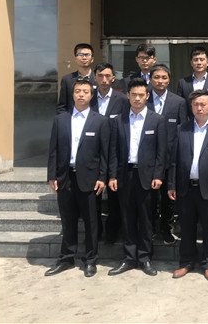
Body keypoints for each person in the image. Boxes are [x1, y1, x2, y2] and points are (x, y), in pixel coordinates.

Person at [45, 78, 109, 277]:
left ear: (91, 95)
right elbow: (53, 149)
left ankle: (90, 260)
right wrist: (52, 175)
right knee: (68, 220)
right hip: (65, 177)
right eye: (78, 91)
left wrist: (102, 176)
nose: (81, 94)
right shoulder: (61, 119)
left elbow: (104, 153)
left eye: (85, 91)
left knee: (91, 222)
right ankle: (66, 258)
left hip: (89, 179)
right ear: (72, 94)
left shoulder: (100, 121)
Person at [108, 78, 167, 277]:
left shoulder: (157, 120)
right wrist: (112, 175)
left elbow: (162, 152)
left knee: (146, 218)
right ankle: (129, 257)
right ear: (128, 96)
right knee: (127, 217)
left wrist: (158, 174)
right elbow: (113, 151)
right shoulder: (119, 120)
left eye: (141, 95)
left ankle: (145, 257)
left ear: (147, 96)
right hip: (124, 175)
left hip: (147, 176)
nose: (137, 98)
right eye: (134, 95)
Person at [170, 90, 208, 281]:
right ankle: (186, 262)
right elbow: (174, 161)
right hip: (185, 188)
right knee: (186, 227)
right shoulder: (181, 129)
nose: (199, 107)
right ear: (191, 107)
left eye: (203, 104)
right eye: (196, 104)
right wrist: (171, 184)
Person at [146, 64, 188, 244]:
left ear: (169, 80)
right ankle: (150, 229)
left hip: (170, 158)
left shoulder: (178, 102)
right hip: (148, 158)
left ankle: (166, 228)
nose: (160, 81)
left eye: (164, 77)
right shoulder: (143, 98)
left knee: (168, 197)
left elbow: (183, 130)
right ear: (150, 79)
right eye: (156, 77)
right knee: (149, 197)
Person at [91, 62, 129, 244]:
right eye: (100, 76)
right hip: (93, 154)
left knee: (115, 197)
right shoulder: (89, 98)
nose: (104, 79)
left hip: (116, 154)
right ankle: (96, 232)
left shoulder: (122, 100)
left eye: (108, 76)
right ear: (95, 77)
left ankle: (113, 232)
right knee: (94, 197)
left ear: (113, 78)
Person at [57, 43, 96, 114]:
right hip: (72, 118)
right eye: (80, 55)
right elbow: (62, 106)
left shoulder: (98, 79)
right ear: (75, 58)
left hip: (94, 119)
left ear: (92, 59)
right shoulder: (67, 80)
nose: (84, 58)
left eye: (87, 55)